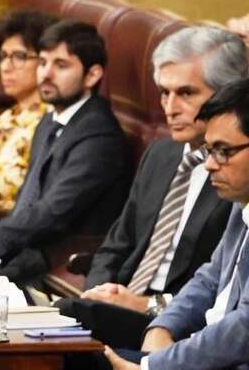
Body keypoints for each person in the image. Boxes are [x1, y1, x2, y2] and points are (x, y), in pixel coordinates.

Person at [61, 26, 246, 347]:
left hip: (180, 324)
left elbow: (220, 285)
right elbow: (117, 243)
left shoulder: (237, 175)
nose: (170, 107)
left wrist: (151, 306)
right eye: (164, 92)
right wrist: (99, 291)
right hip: (121, 306)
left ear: (225, 94)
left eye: (186, 93)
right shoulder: (161, 153)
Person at [105, 77, 249, 370]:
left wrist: (153, 368)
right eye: (209, 150)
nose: (209, 164)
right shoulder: (241, 203)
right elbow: (209, 279)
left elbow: (244, 329)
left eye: (224, 151)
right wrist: (162, 327)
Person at [0, 19, 130, 285]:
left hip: (61, 262)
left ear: (92, 75)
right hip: (26, 252)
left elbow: (54, 211)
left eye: (60, 65)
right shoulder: (50, 119)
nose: (46, 74)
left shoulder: (99, 135)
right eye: (43, 63)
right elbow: (29, 199)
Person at [0, 10, 57, 229]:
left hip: (2, 234)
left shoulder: (47, 123)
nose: (5, 67)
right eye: (3, 56)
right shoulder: (11, 117)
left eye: (19, 56)